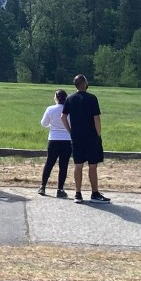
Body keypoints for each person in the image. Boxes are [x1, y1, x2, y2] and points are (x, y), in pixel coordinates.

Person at [61, 74, 110, 203]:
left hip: (77, 137)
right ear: (84, 84)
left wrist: (70, 131)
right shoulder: (92, 98)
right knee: (92, 166)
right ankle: (94, 193)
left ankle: (78, 194)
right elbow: (96, 118)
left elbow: (63, 117)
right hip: (91, 137)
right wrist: (98, 134)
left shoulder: (70, 99)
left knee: (78, 166)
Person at [38, 89, 72, 198]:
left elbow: (44, 123)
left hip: (53, 139)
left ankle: (43, 186)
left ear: (56, 98)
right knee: (63, 165)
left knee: (49, 163)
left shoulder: (50, 109)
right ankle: (60, 189)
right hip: (67, 140)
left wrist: (52, 126)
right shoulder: (70, 110)